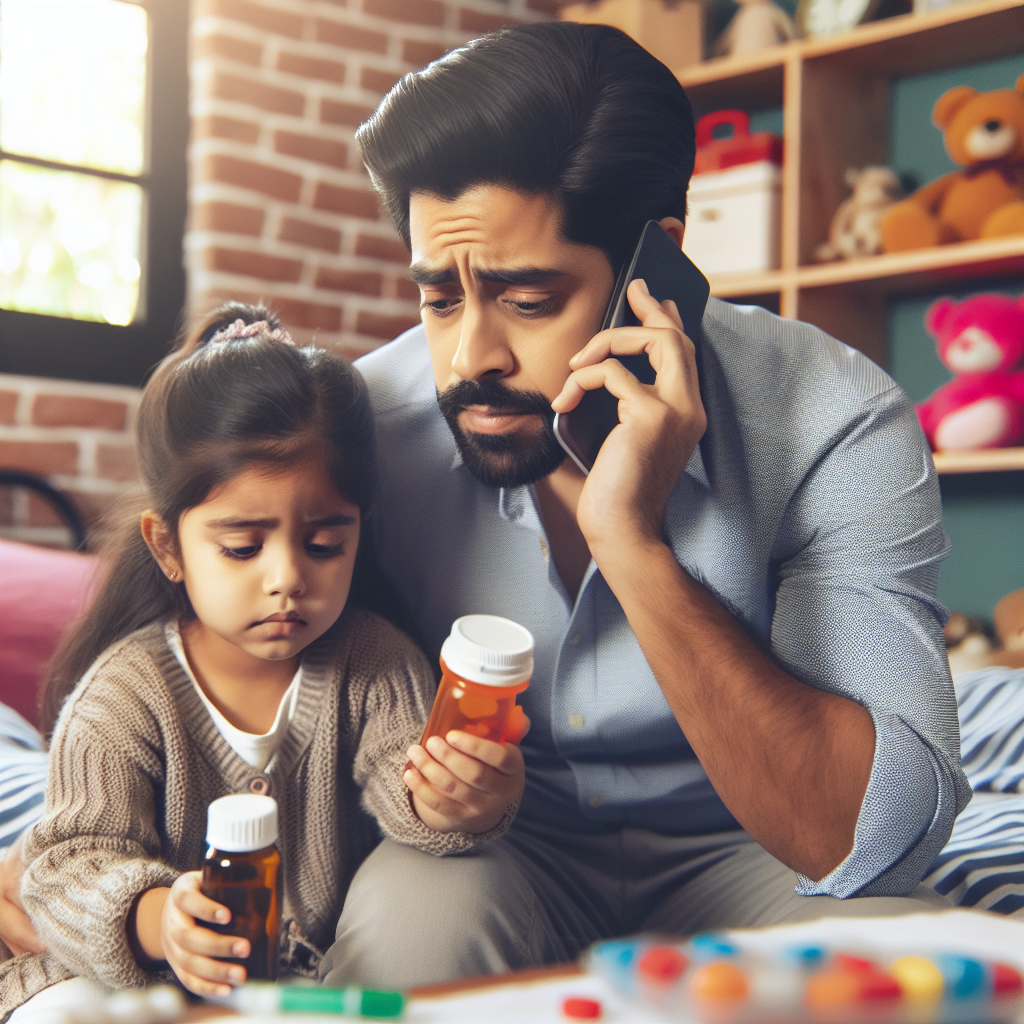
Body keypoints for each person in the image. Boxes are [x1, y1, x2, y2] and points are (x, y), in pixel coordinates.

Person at [315, 22, 973, 987]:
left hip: (756, 851)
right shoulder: (366, 427)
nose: (470, 360)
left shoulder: (838, 417)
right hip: (491, 847)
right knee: (402, 949)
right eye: (438, 299)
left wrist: (630, 539)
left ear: (653, 263)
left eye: (528, 298)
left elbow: (867, 840)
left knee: (907, 973)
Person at [0, 306, 525, 1015]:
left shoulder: (376, 664)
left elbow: (412, 802)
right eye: (243, 547)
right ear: (168, 548)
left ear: (360, 533)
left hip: (314, 987)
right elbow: (67, 866)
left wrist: (459, 798)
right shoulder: (126, 695)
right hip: (140, 984)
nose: (287, 578)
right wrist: (158, 917)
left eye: (323, 543)